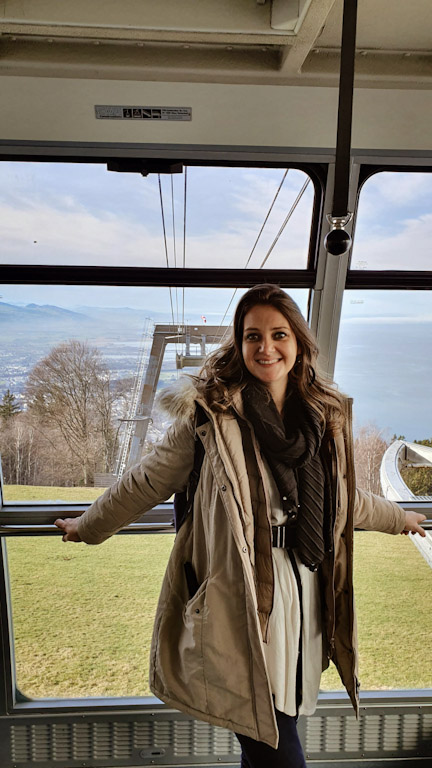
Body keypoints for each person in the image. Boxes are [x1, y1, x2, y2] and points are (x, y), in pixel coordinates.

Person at [55, 284, 426, 768]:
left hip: (305, 588)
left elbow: (341, 499)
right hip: (242, 592)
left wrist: (399, 517)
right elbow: (147, 480)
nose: (266, 348)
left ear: (299, 343)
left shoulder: (320, 416)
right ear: (240, 342)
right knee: (271, 736)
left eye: (278, 334)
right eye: (253, 336)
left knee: (273, 725)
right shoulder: (210, 417)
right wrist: (88, 525)